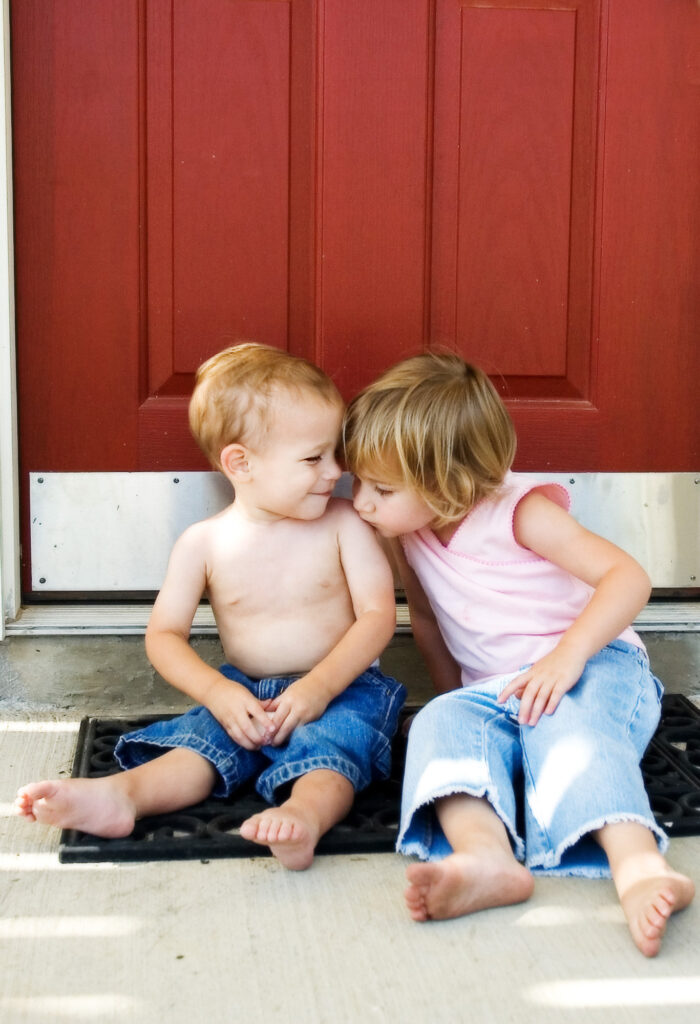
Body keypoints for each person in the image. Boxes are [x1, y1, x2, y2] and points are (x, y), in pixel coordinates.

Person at [344, 350, 694, 956]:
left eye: (380, 489)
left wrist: (567, 658)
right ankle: (485, 860)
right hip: (501, 690)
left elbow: (627, 577)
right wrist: (456, 701)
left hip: (592, 666)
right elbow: (427, 620)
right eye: (359, 483)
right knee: (437, 724)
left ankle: (637, 866)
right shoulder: (408, 532)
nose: (361, 504)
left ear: (449, 483)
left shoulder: (520, 512)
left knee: (572, 735)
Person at [16, 343, 405, 870]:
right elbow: (164, 636)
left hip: (342, 689)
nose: (336, 470)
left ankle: (305, 818)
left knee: (332, 753)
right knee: (196, 749)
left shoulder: (344, 525)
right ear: (240, 463)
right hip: (242, 695)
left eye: (335, 452)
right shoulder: (204, 543)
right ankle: (122, 796)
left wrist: (320, 686)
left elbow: (379, 615)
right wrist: (217, 692)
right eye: (314, 457)